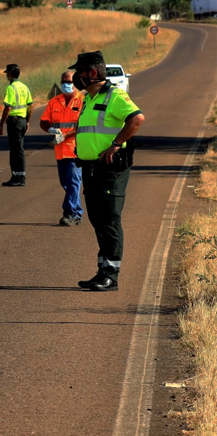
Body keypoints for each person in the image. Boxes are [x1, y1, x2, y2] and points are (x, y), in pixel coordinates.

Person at [70, 51, 145, 292]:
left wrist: (115, 144)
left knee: (110, 219)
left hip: (110, 169)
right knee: (98, 220)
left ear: (92, 73)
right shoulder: (88, 99)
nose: (75, 77)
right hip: (91, 169)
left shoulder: (115, 95)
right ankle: (103, 271)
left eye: (79, 72)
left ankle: (111, 275)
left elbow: (137, 119)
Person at [39, 70, 84, 226]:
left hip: (76, 148)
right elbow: (43, 121)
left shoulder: (83, 101)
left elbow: (82, 125)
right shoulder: (54, 101)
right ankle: (74, 211)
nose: (67, 84)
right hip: (59, 150)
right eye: (64, 81)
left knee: (73, 181)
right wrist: (50, 130)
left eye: (70, 81)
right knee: (65, 183)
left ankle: (72, 213)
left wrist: (66, 135)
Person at [0, 63, 34, 186]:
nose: (6, 75)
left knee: (16, 150)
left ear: (11, 74)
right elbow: (31, 106)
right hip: (22, 120)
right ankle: (17, 176)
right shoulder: (24, 87)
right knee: (18, 149)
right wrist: (28, 121)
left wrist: (1, 124)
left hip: (14, 121)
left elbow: (7, 108)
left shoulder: (11, 88)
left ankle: (18, 177)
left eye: (7, 73)